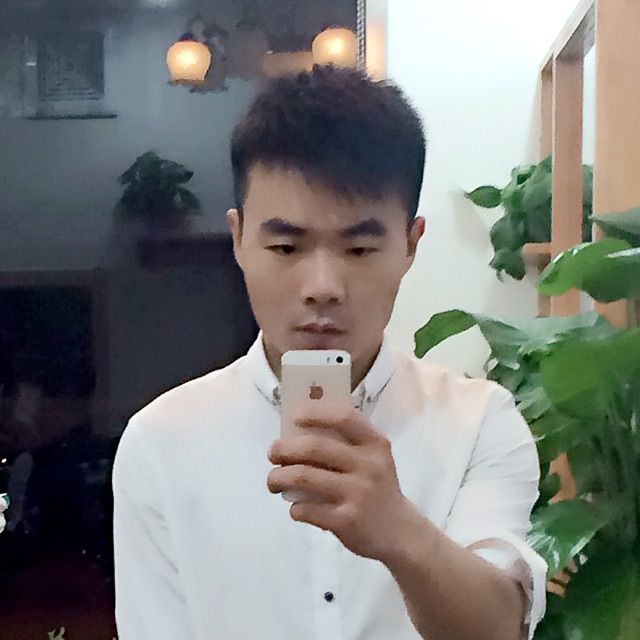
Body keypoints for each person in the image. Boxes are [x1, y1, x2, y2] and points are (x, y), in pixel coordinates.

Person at [112, 65, 546, 640]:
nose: (322, 286)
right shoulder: (160, 443)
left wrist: (398, 532)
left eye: (360, 249)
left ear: (410, 244)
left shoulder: (479, 423)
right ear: (239, 239)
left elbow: (499, 629)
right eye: (285, 246)